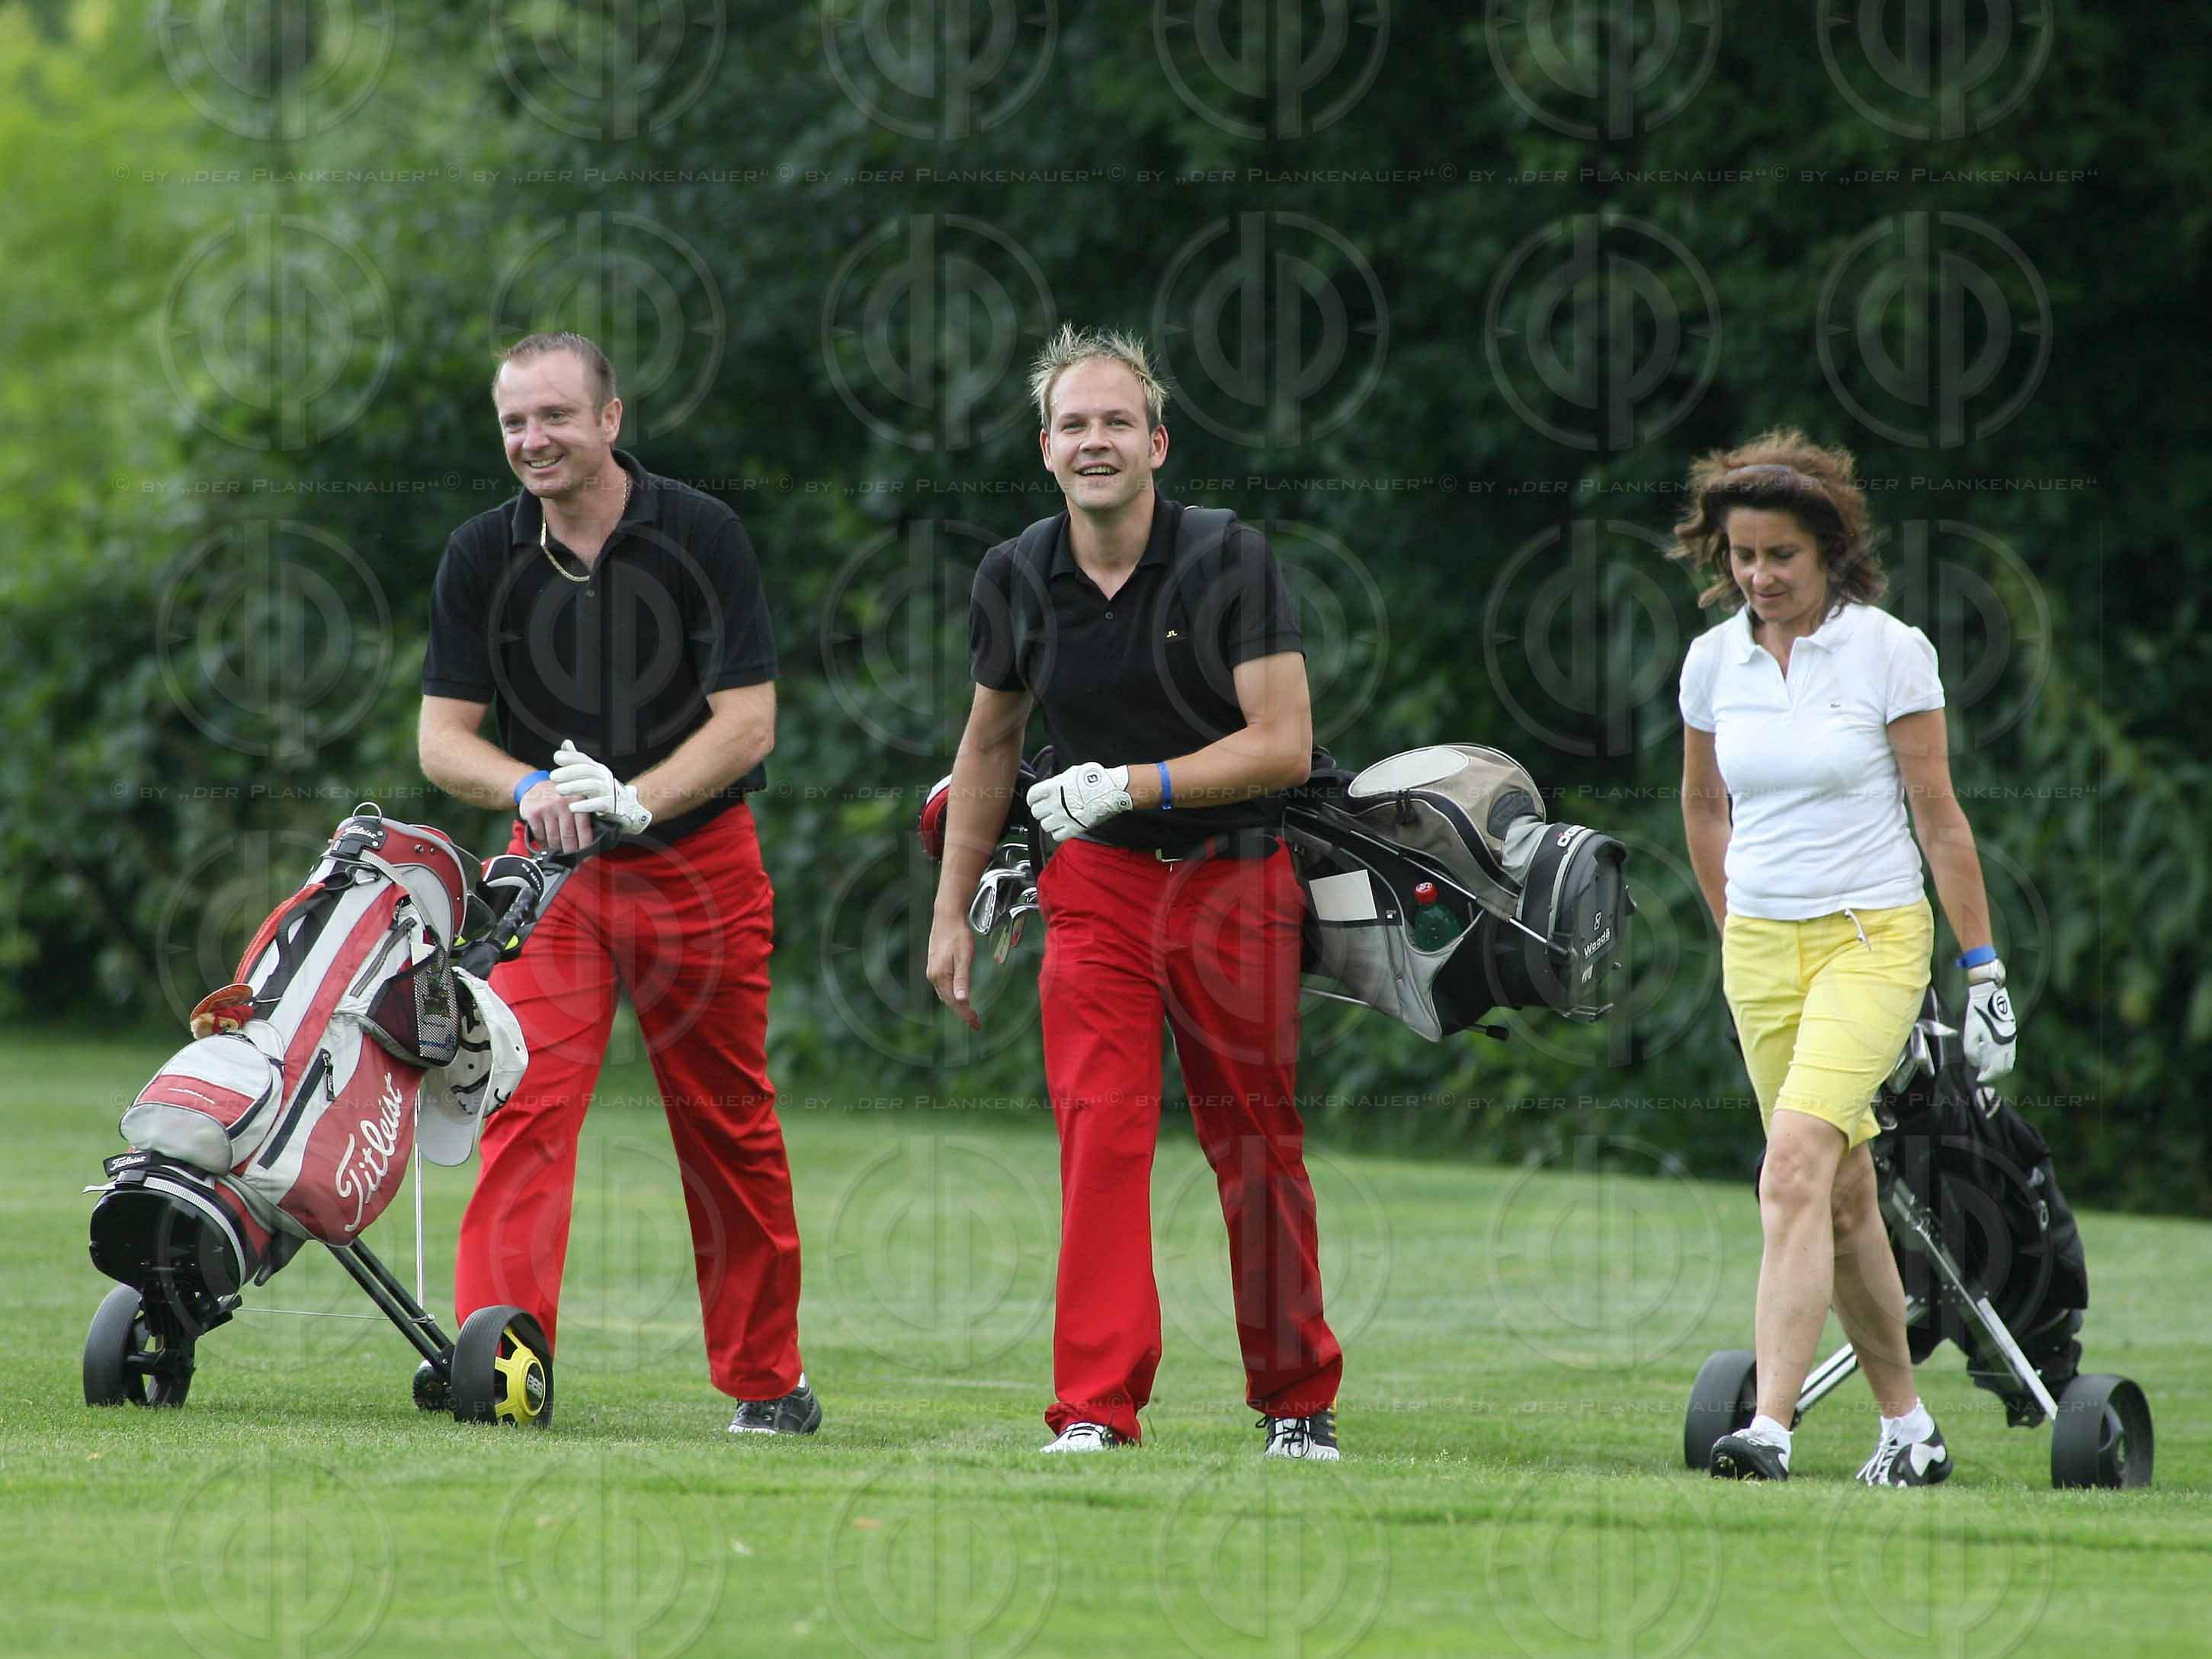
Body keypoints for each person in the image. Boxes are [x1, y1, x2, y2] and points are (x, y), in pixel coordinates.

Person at [926, 325, 1342, 1459]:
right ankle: (1096, 1409)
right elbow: (987, 748)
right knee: (1100, 1135)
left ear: (1155, 442)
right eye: (1074, 424)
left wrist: (1133, 780)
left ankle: (1296, 1401)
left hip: (1232, 877)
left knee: (1253, 1139)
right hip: (1096, 889)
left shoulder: (1227, 557)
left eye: (1116, 422)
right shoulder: (1016, 571)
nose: (1094, 440)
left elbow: (1284, 744)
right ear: (1045, 448)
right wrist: (949, 914)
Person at [418, 331, 819, 1436]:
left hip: (699, 865)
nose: (532, 440)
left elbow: (748, 721)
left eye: (554, 416)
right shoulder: (480, 553)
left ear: (609, 419)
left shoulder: (699, 534)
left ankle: (766, 1379)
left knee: (725, 1116)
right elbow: (442, 739)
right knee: (522, 1107)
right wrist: (532, 782)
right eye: (513, 423)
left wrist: (640, 797)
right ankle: (500, 1367)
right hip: (549, 881)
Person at [1673, 431, 2019, 1484]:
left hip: (1872, 938)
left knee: (1789, 1166)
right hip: (1760, 951)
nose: (1758, 576)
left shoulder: (1887, 649)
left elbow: (1939, 817)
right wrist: (1735, 923)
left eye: (1780, 555)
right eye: (1741, 555)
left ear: (1827, 550)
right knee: (1840, 1192)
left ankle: (1768, 1427)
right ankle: (1907, 1428)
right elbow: (1701, 806)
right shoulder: (1711, 661)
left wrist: (1983, 971)